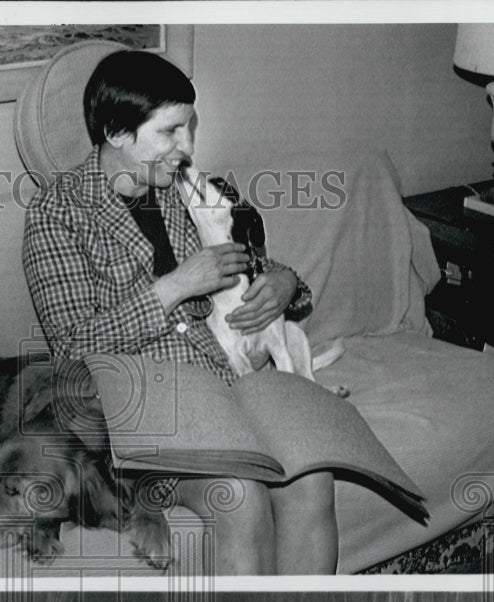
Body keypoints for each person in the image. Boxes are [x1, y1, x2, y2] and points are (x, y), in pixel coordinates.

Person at [21, 50, 337, 575]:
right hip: (151, 420)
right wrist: (173, 288)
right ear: (118, 132)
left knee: (313, 475)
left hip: (236, 395)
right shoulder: (59, 213)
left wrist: (284, 283)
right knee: (240, 495)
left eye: (188, 129)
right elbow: (73, 349)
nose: (186, 148)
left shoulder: (182, 191)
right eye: (170, 132)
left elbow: (254, 262)